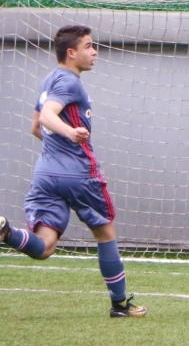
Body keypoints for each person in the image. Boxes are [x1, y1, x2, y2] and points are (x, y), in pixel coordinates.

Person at [0, 25, 146, 318]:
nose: (94, 52)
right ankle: (119, 305)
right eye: (89, 46)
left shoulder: (49, 80)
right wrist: (70, 133)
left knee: (45, 247)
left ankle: (6, 232)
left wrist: (58, 149)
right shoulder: (70, 82)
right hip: (79, 174)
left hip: (46, 174)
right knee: (105, 233)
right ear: (71, 52)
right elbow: (47, 116)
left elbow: (35, 127)